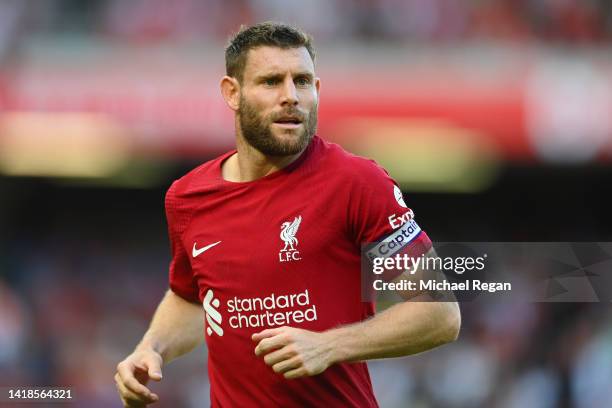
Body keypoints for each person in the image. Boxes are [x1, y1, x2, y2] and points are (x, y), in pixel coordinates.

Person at [115, 21, 461, 407]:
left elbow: (440, 313)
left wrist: (328, 345)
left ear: (316, 90)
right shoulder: (187, 198)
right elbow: (192, 299)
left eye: (302, 81)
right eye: (271, 82)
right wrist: (152, 348)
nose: (290, 96)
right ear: (232, 92)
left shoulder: (357, 183)